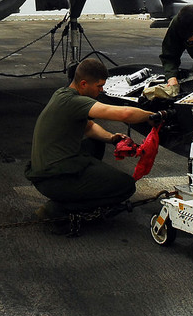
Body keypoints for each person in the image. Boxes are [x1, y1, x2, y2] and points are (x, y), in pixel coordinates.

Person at [25, 58, 157, 222]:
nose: (101, 90)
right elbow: (125, 114)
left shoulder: (62, 93)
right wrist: (154, 116)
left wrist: (112, 138)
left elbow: (88, 127)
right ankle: (60, 209)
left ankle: (78, 190)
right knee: (126, 186)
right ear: (83, 84)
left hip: (47, 169)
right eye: (99, 86)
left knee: (96, 144)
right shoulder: (74, 101)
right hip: (52, 179)